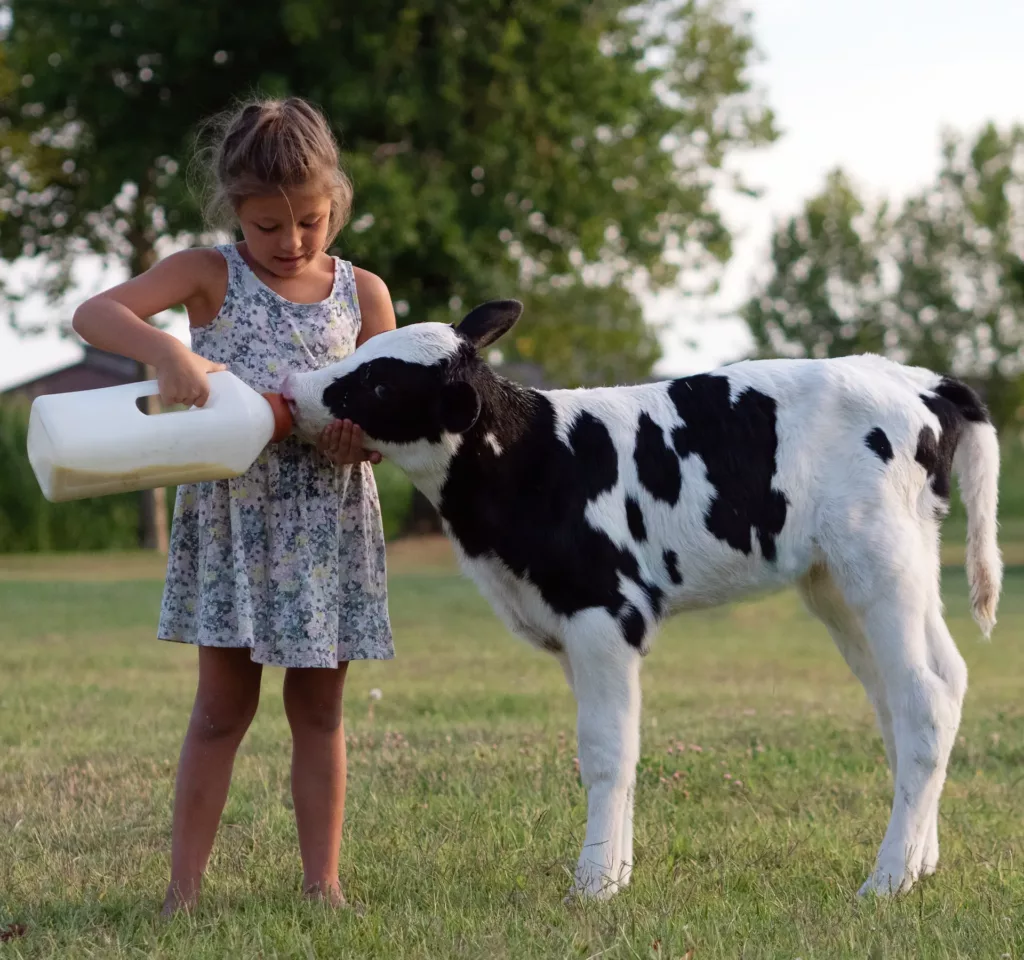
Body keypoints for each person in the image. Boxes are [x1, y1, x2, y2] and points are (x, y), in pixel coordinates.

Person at [71, 95, 396, 916]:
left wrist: (365, 440)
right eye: (266, 227)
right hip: (233, 520)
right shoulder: (209, 275)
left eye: (310, 223)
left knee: (319, 711)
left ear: (336, 203)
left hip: (325, 521)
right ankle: (183, 893)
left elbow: (393, 412)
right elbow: (93, 312)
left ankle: (323, 885)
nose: (290, 244)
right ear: (233, 213)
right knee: (221, 710)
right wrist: (165, 348)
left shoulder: (365, 294)